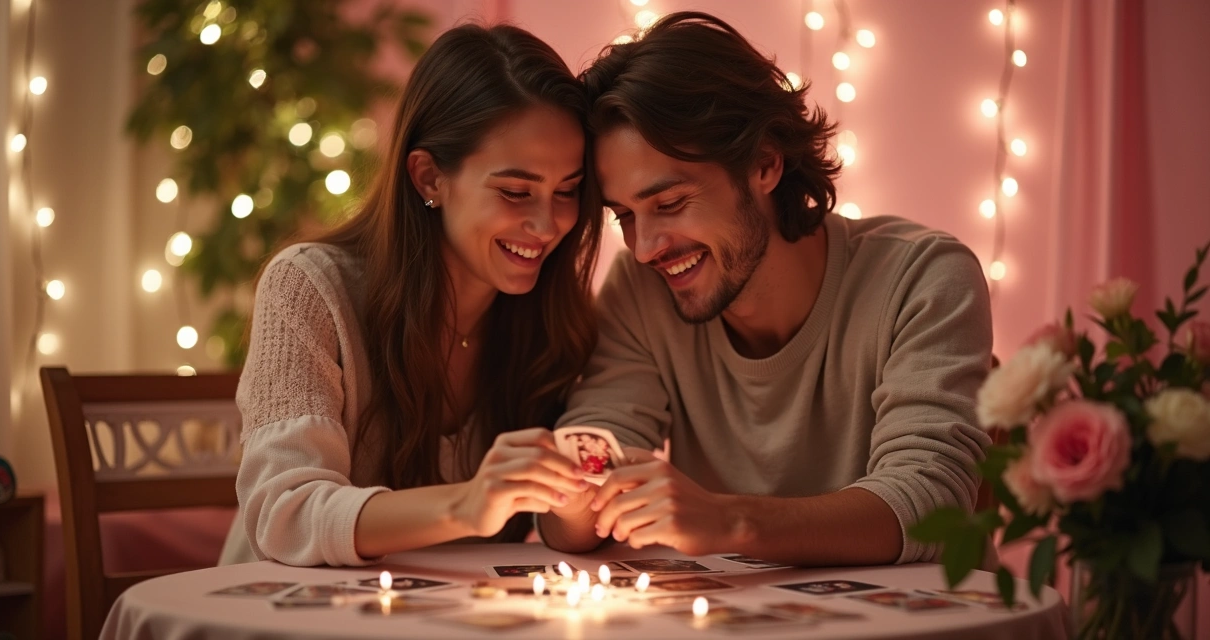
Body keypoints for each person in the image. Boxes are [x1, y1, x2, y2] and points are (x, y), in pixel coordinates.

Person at [538, 12, 993, 566]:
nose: (644, 248)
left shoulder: (922, 277)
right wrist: (570, 487)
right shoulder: (639, 293)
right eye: (624, 215)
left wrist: (729, 521)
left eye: (670, 203)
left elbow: (933, 507)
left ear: (765, 163)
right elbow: (573, 513)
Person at [219, 22, 603, 567]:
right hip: (281, 606)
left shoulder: (555, 317)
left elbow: (570, 526)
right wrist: (465, 505)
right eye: (516, 191)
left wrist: (583, 497)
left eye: (567, 190)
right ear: (428, 178)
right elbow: (285, 515)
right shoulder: (308, 287)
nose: (547, 224)